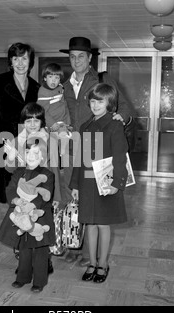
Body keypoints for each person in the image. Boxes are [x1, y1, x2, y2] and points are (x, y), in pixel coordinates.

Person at [59, 36, 133, 266]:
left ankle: (89, 255)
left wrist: (123, 118)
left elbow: (124, 106)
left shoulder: (102, 79)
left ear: (90, 58)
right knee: (71, 199)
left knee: (97, 204)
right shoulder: (63, 84)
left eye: (81, 56)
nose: (76, 60)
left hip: (100, 150)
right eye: (72, 56)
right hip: (72, 149)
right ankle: (74, 246)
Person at [0, 42, 40, 267]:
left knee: (21, 199)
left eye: (25, 58)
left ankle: (19, 244)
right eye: (16, 58)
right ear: (10, 61)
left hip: (24, 152)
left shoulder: (36, 87)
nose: (21, 63)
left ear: (30, 62)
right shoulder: (0, 82)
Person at [70, 83, 128, 283]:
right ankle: (92, 263)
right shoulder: (85, 126)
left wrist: (117, 183)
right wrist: (75, 185)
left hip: (106, 182)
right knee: (90, 224)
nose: (95, 105)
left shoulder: (114, 125)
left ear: (109, 103)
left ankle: (103, 263)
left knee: (103, 224)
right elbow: (80, 158)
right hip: (86, 183)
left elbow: (120, 157)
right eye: (92, 101)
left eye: (100, 101)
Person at [4, 102, 61, 274]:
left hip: (43, 193)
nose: (33, 124)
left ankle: (45, 261)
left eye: (37, 120)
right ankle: (24, 262)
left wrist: (56, 196)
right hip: (22, 193)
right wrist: (11, 157)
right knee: (21, 226)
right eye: (29, 120)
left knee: (42, 227)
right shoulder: (16, 140)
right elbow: (10, 169)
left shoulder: (50, 140)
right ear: (23, 122)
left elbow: (55, 170)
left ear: (42, 121)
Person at [0, 137, 55, 293]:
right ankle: (23, 277)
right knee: (23, 248)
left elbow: (45, 195)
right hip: (21, 214)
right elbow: (10, 188)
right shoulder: (19, 172)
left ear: (43, 156)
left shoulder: (48, 174)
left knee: (41, 249)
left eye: (36, 153)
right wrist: (15, 199)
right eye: (28, 153)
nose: (31, 156)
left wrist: (31, 205)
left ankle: (40, 281)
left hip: (39, 216)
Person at [37, 63, 72, 154]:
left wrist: (67, 121)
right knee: (50, 146)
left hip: (61, 121)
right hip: (50, 124)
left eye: (57, 78)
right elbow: (42, 112)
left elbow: (64, 105)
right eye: (50, 77)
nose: (53, 81)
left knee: (64, 140)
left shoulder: (60, 88)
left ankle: (62, 154)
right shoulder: (43, 92)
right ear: (45, 78)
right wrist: (52, 124)